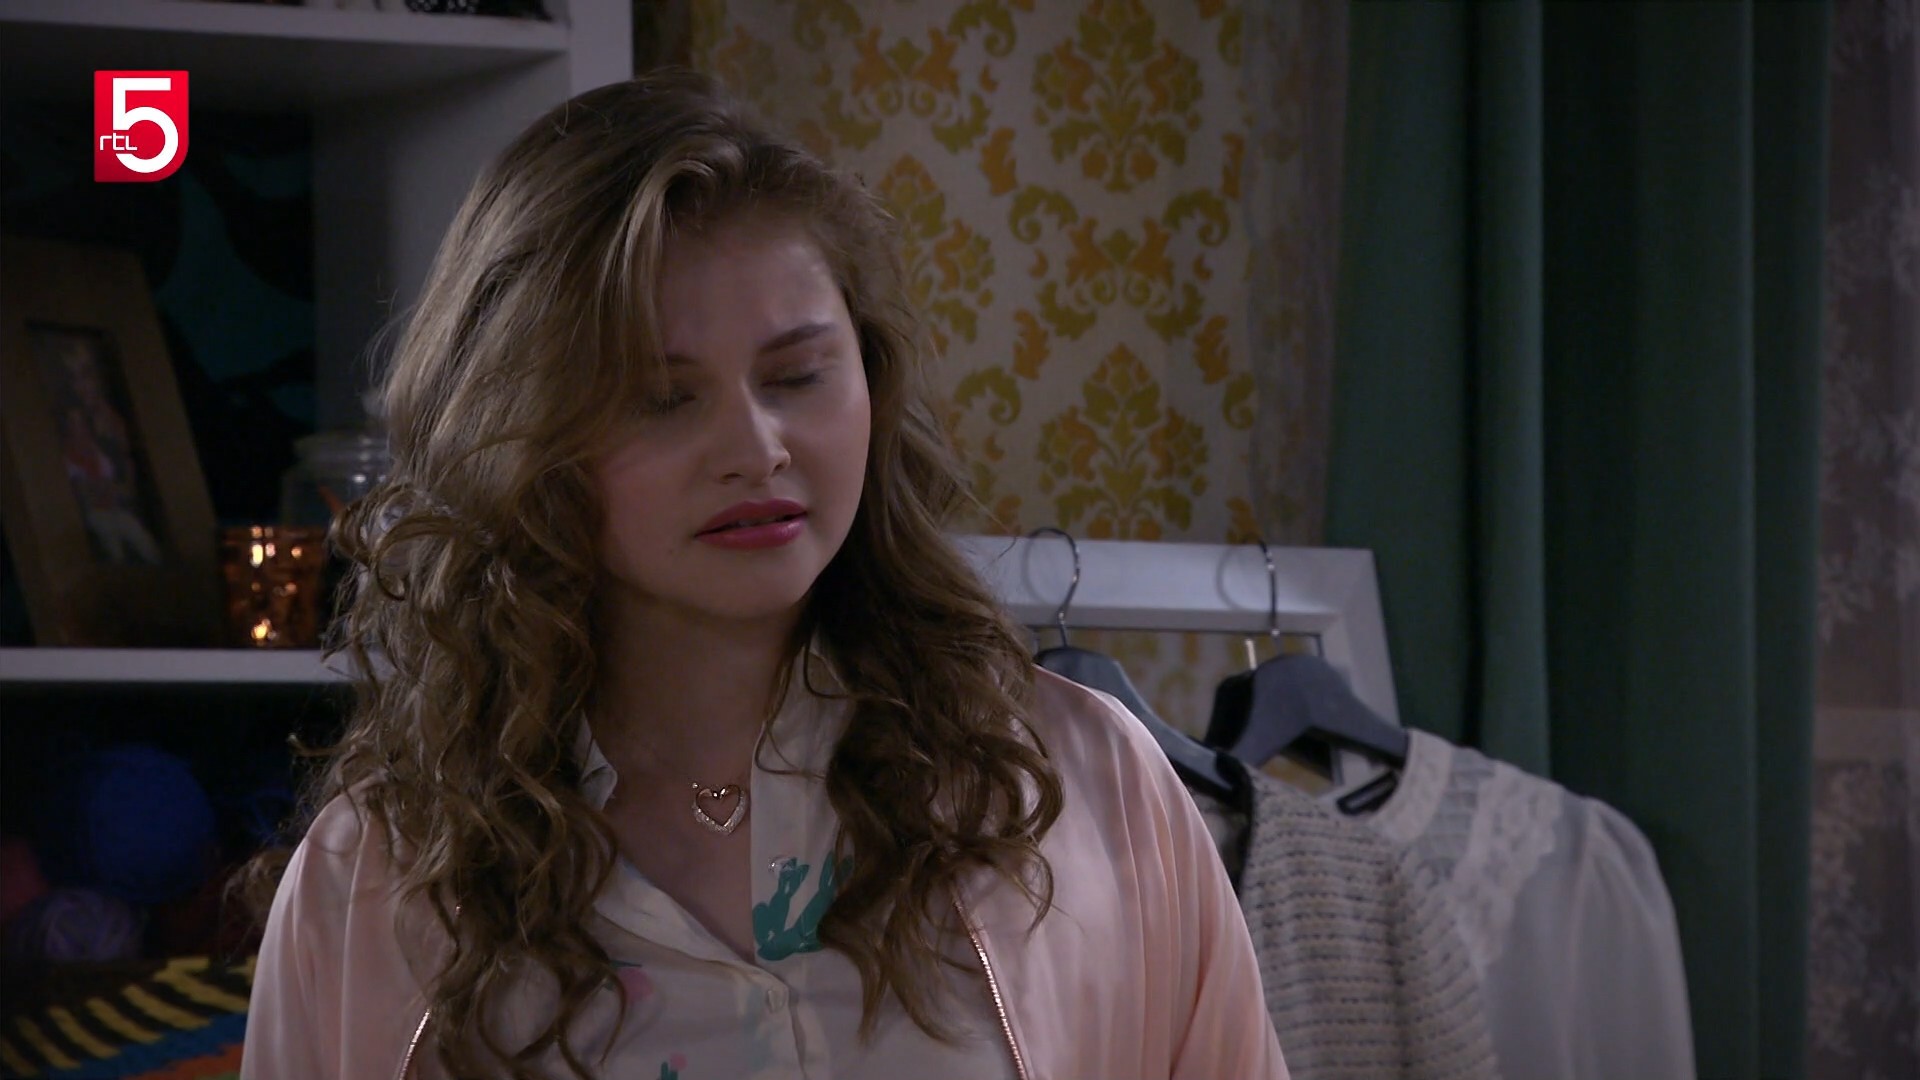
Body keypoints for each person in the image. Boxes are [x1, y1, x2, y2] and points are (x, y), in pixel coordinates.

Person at [241, 69, 1288, 1080]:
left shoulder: (1082, 788)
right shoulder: (373, 880)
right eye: (662, 398)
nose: (755, 448)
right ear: (524, 442)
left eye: (796, 376)